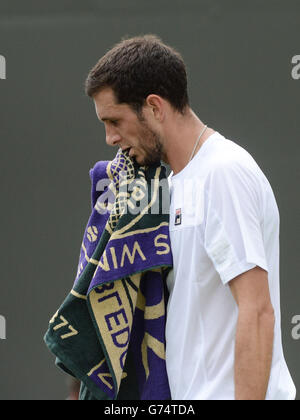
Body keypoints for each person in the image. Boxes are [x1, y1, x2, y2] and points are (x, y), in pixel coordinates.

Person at [84, 34, 296, 400]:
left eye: (114, 120)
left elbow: (258, 311)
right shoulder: (173, 183)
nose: (109, 138)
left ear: (153, 107)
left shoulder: (222, 173)